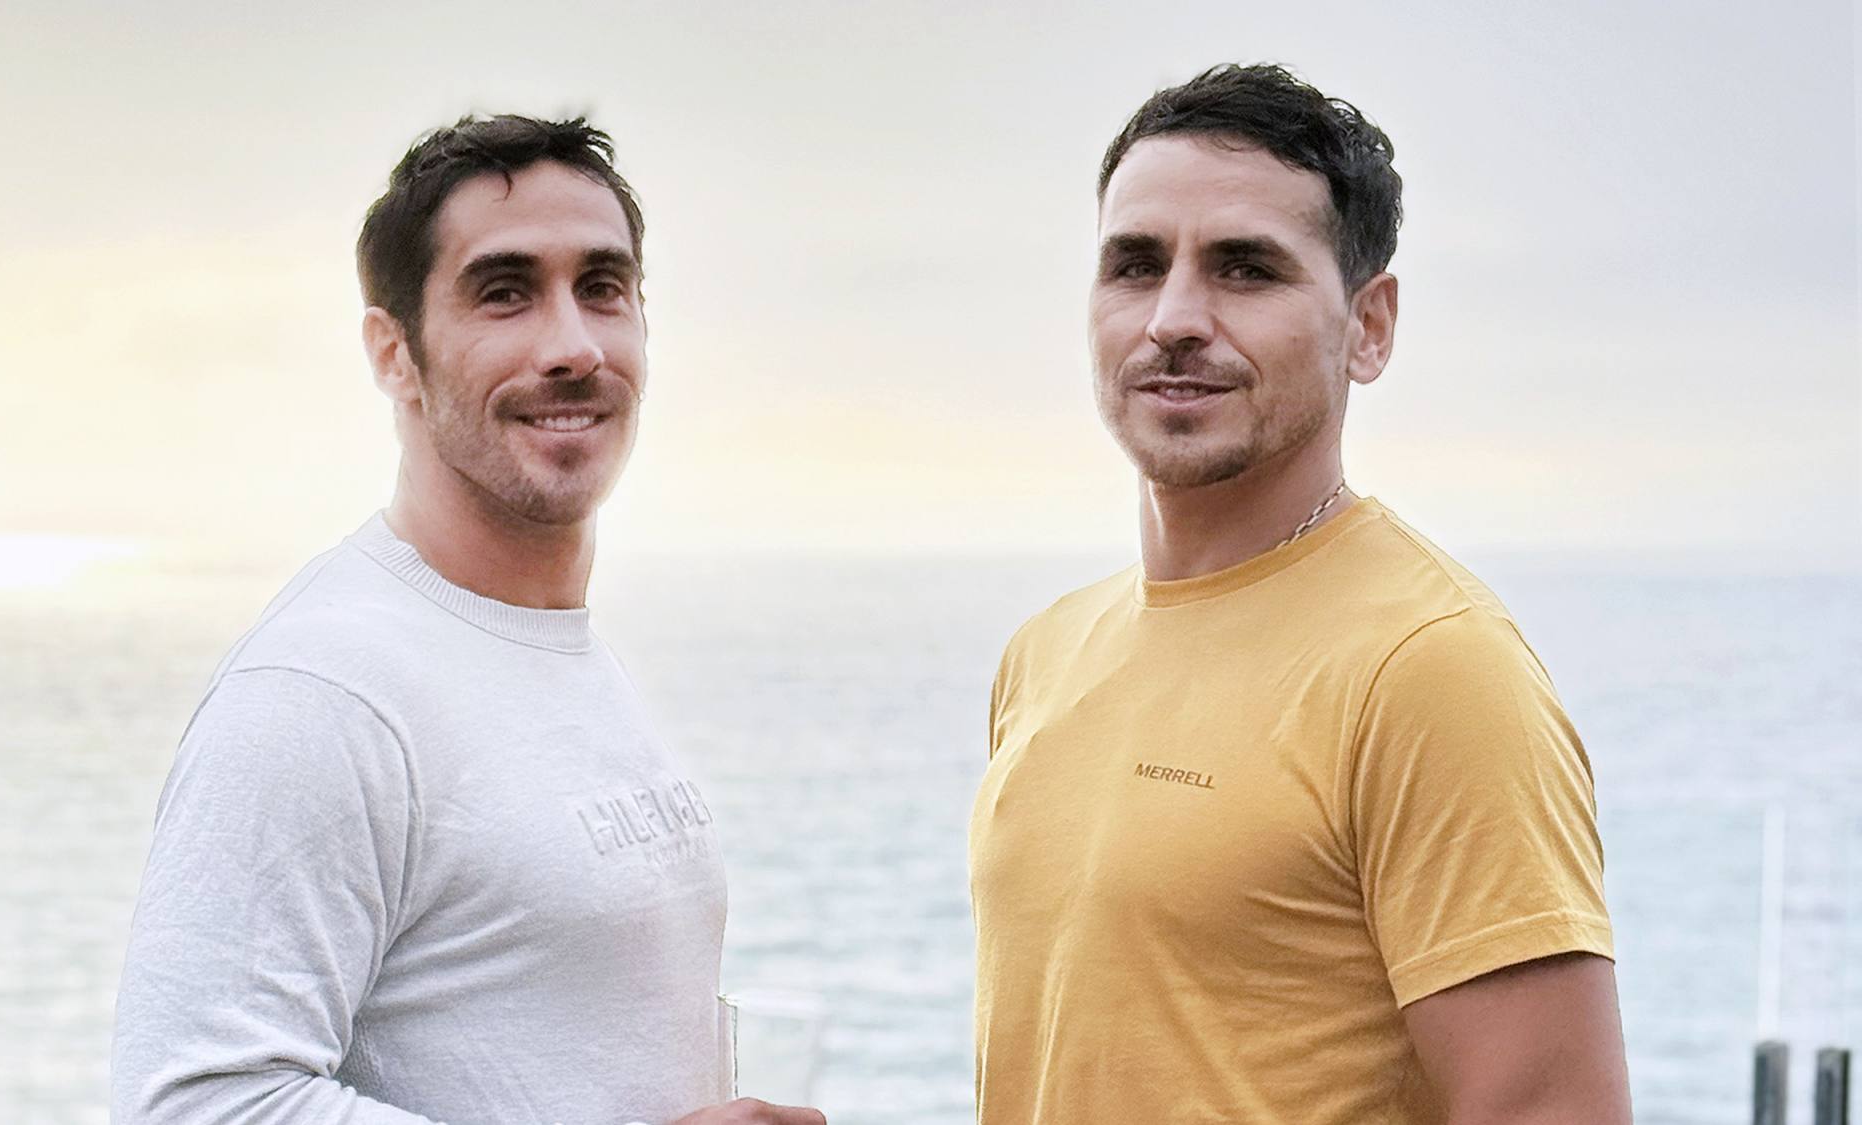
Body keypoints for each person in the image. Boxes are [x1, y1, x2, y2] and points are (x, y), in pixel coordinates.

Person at [111, 114, 822, 1125]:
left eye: (602, 287)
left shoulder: (551, 648)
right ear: (393, 353)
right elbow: (197, 1103)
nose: (572, 346)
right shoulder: (322, 692)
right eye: (504, 293)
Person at [967, 65, 1631, 1124]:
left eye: (1245, 269)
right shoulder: (1044, 654)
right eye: (1135, 265)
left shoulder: (1431, 667)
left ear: (1368, 326)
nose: (1174, 319)